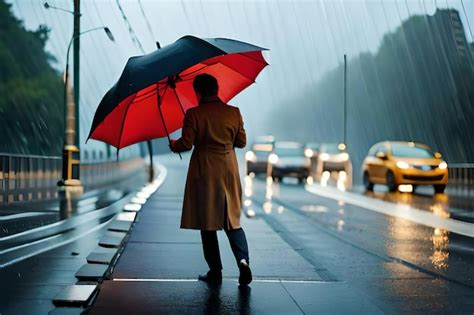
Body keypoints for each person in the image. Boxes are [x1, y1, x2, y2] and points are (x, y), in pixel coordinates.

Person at [170, 73, 252, 286]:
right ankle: (243, 261)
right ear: (217, 89)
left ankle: (215, 271)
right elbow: (241, 142)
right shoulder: (234, 112)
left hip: (205, 171)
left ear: (197, 92)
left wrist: (174, 145)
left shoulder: (193, 114)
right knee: (232, 221)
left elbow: (186, 144)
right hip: (228, 168)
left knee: (208, 223)